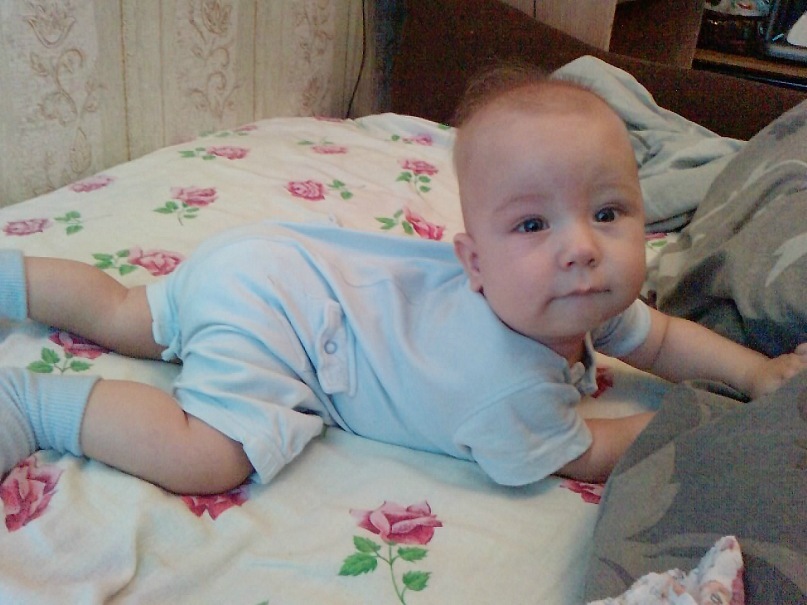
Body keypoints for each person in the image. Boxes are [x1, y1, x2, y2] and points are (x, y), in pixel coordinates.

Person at [1, 69, 805, 496]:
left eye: (607, 212)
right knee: (210, 455)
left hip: (267, 260)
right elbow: (587, 451)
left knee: (125, 309)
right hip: (283, 319)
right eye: (532, 224)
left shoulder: (576, 299)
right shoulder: (505, 388)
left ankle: (12, 276)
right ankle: (32, 404)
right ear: (472, 263)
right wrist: (705, 415)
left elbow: (657, 336)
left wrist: (753, 372)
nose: (580, 249)